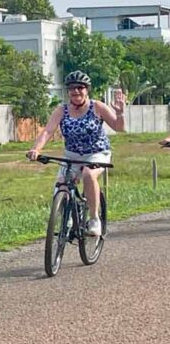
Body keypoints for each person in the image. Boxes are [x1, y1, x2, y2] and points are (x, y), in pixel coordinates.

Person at [27, 71, 126, 236]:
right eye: (72, 88)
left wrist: (120, 113)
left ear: (87, 90)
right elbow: (47, 131)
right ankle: (68, 216)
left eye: (80, 87)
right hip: (71, 155)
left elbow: (119, 127)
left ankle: (94, 219)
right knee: (61, 186)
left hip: (97, 153)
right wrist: (36, 149)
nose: (76, 91)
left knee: (88, 174)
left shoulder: (97, 107)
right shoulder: (62, 110)